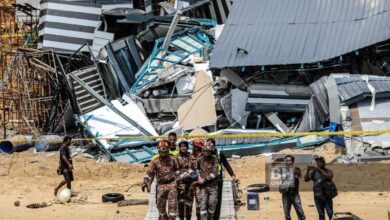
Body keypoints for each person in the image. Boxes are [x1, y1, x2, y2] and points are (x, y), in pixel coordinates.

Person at [143, 140, 179, 220]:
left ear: (167, 150)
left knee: (172, 210)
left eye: (165, 150)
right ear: (158, 150)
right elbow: (150, 173)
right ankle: (163, 217)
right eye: (161, 150)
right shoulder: (155, 161)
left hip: (172, 185)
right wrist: (145, 182)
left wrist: (179, 182)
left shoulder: (172, 159)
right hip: (160, 186)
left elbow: (177, 171)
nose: (163, 152)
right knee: (160, 208)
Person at [206, 138, 238, 220]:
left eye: (211, 145)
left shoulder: (219, 153)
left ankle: (216, 218)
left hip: (218, 180)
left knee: (217, 201)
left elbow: (226, 164)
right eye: (208, 145)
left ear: (214, 145)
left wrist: (233, 175)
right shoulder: (205, 154)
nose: (209, 147)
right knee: (208, 201)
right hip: (208, 181)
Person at [276, 155, 306, 220]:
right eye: (286, 160)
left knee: (300, 212)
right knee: (287, 214)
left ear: (292, 161)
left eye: (289, 160)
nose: (287, 161)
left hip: (295, 194)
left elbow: (299, 174)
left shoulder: (296, 169)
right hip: (285, 194)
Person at [195, 142, 219, 220]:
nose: (207, 152)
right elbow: (197, 169)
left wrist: (204, 180)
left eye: (208, 150)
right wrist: (198, 177)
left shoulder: (214, 159)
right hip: (203, 187)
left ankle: (210, 218)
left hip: (213, 186)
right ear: (203, 150)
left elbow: (214, 174)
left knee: (212, 203)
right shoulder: (199, 159)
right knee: (203, 205)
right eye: (205, 150)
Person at [175, 140, 194, 220]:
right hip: (180, 184)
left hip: (190, 184)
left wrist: (189, 172)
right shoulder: (176, 157)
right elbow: (175, 169)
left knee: (189, 204)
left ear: (187, 147)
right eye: (181, 146)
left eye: (185, 146)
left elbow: (194, 168)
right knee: (181, 204)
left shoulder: (191, 156)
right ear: (179, 147)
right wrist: (181, 176)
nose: (183, 148)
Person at [190, 139, 205, 220]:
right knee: (190, 204)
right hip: (192, 184)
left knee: (200, 204)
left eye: (195, 146)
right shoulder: (190, 156)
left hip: (202, 184)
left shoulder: (205, 156)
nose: (193, 148)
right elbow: (189, 169)